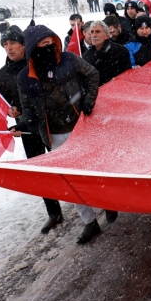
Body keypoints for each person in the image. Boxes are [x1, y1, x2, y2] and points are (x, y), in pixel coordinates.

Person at [9, 25, 114, 244]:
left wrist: (88, 101)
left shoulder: (69, 59)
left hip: (81, 127)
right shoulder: (24, 77)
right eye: (42, 45)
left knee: (95, 170)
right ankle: (89, 221)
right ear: (31, 48)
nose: (48, 49)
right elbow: (28, 109)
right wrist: (23, 123)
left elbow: (92, 74)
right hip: (54, 136)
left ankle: (108, 202)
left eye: (50, 44)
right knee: (71, 182)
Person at [0, 26, 64, 234]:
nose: (9, 48)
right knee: (40, 170)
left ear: (23, 45)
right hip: (28, 128)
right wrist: (11, 111)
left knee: (64, 163)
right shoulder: (3, 72)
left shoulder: (37, 62)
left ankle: (87, 198)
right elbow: (4, 101)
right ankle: (54, 212)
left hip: (50, 122)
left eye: (13, 43)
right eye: (5, 44)